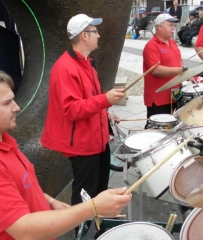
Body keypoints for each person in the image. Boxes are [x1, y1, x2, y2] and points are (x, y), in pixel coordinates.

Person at [0, 71, 132, 240]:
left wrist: (48, 201)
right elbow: (23, 230)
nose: (17, 107)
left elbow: (25, 187)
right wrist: (93, 207)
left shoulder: (7, 142)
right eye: (7, 103)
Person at [40, 13, 125, 235]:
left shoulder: (88, 63)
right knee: (85, 195)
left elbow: (90, 101)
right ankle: (81, 233)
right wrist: (105, 100)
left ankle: (97, 232)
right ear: (84, 35)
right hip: (82, 144)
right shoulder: (65, 67)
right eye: (95, 32)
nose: (99, 35)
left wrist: (105, 114)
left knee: (99, 193)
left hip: (98, 140)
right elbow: (72, 109)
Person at [143, 14, 184, 128]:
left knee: (174, 127)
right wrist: (180, 70)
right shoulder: (151, 46)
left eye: (173, 25)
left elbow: (179, 61)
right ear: (159, 27)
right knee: (156, 130)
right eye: (170, 25)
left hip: (175, 95)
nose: (173, 28)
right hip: (158, 98)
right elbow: (156, 70)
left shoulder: (172, 42)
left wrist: (185, 71)